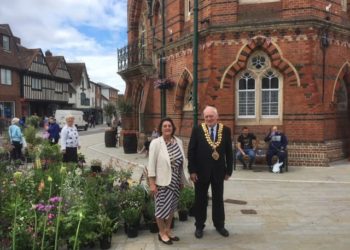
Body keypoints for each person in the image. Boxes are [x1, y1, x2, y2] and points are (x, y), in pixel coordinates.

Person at [188, 106, 233, 239]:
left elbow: (229, 152)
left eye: (211, 116)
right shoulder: (197, 130)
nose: (208, 119)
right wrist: (192, 170)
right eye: (206, 116)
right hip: (201, 172)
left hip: (219, 171)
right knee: (200, 200)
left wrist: (229, 170)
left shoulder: (225, 130)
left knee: (218, 199)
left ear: (216, 117)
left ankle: (219, 225)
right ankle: (199, 226)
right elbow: (191, 151)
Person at [147, 117, 189, 245]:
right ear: (161, 128)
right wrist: (152, 183)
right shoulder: (156, 143)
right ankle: (161, 233)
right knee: (160, 209)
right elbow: (151, 165)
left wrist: (181, 180)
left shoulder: (178, 141)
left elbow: (182, 163)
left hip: (175, 181)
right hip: (162, 182)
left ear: (173, 128)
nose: (167, 128)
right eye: (164, 126)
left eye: (169, 126)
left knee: (172, 208)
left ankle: (167, 230)